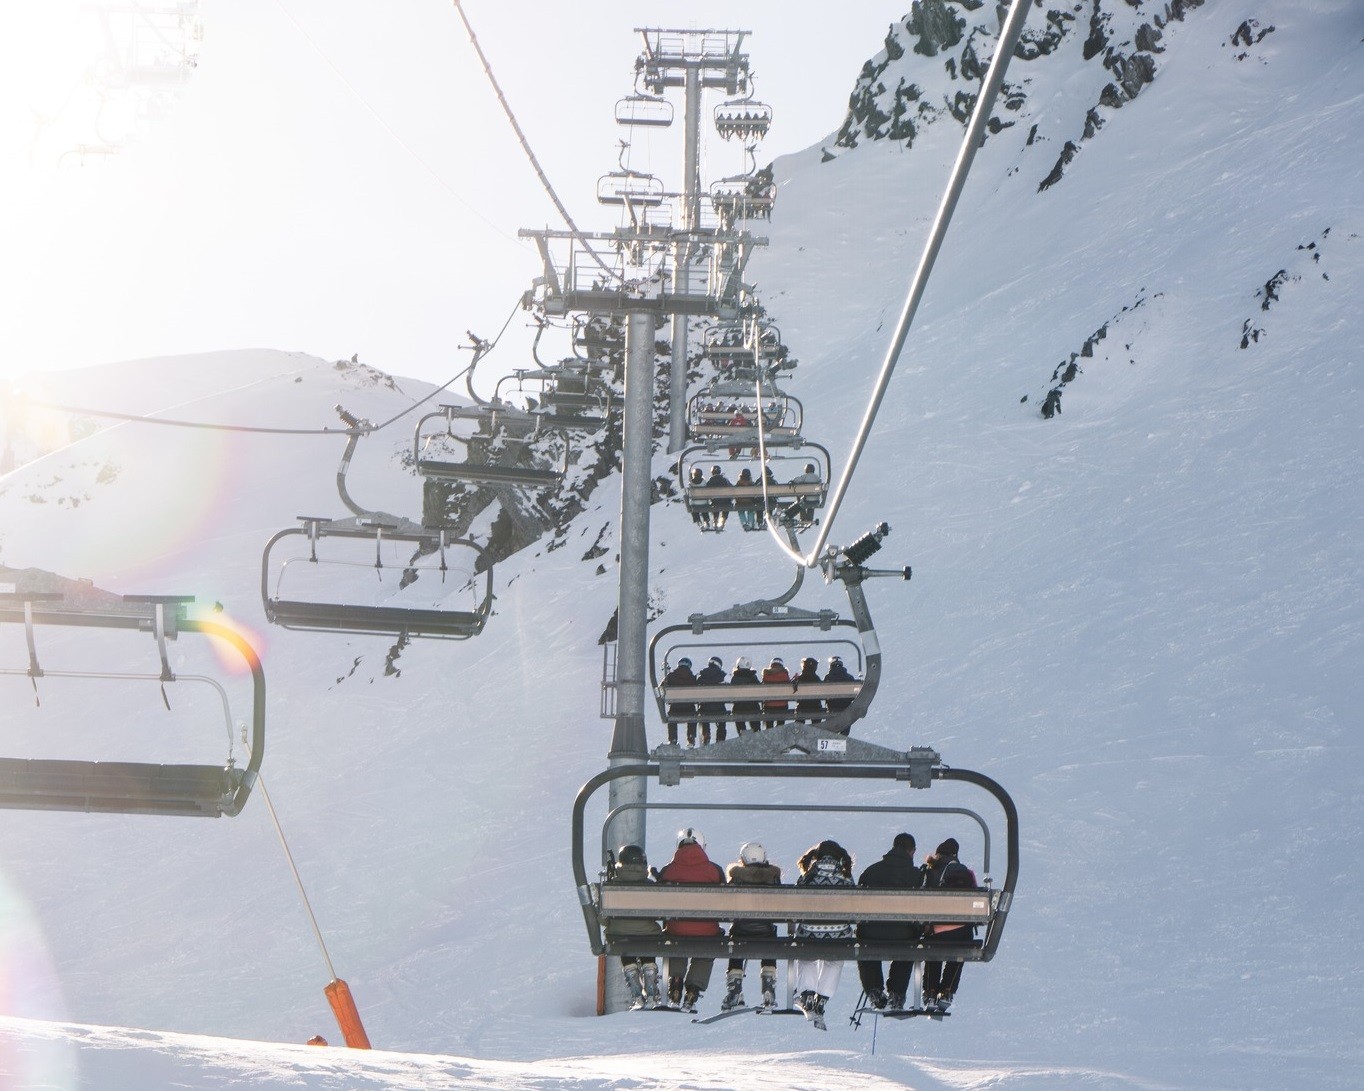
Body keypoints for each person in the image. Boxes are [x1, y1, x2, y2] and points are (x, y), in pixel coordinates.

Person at [657, 828, 725, 1012]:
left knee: (674, 938)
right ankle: (693, 990)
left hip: (676, 929)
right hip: (707, 932)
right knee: (708, 945)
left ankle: (676, 982)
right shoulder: (714, 870)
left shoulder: (668, 870)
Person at [856, 833, 925, 1010]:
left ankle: (874, 990)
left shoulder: (870, 871)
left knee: (866, 949)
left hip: (870, 934)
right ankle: (897, 994)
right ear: (913, 852)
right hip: (903, 934)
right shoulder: (916, 876)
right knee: (908, 949)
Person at [792, 839, 855, 1029]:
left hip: (809, 934)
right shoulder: (846, 877)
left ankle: (808, 996)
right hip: (839, 936)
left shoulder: (808, 877)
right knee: (834, 961)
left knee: (807, 957)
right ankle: (822, 1000)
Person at [721, 842, 781, 1010]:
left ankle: (735, 990)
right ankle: (768, 989)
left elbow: (726, 905)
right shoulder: (773, 877)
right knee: (770, 941)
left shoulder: (737, 877)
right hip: (766, 932)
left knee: (735, 942)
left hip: (741, 931)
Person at [921, 838, 979, 1012]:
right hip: (963, 932)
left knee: (934, 953)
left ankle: (930, 992)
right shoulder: (967, 873)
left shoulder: (930, 871)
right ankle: (947, 990)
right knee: (957, 956)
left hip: (936, 931)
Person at [605, 844, 664, 1009]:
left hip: (619, 934)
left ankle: (637, 994)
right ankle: (651, 991)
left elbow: (604, 919)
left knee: (625, 942)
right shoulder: (650, 886)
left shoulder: (612, 885)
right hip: (648, 934)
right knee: (647, 937)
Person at [662, 657, 699, 747]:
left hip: (675, 708)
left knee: (672, 718)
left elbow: (662, 688)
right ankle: (691, 738)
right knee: (693, 715)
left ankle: (673, 739)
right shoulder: (693, 678)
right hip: (689, 709)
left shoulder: (670, 676)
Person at [694, 655, 728, 744]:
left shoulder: (701, 675)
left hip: (705, 707)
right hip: (719, 708)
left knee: (703, 715)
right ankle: (720, 739)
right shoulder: (722, 676)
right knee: (722, 719)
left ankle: (706, 734)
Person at [729, 656, 761, 733]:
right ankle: (756, 732)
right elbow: (760, 691)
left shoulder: (734, 678)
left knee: (739, 719)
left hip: (739, 707)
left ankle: (742, 732)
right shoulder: (753, 677)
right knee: (755, 722)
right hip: (753, 707)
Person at [784, 462, 821, 527]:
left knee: (800, 503)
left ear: (808, 469)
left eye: (806, 469)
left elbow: (798, 479)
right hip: (816, 499)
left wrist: (792, 481)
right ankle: (809, 519)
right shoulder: (817, 478)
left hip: (806, 499)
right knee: (811, 507)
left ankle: (802, 518)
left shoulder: (805, 476)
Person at [823, 655, 857, 721]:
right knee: (845, 724)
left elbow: (823, 692)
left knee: (831, 724)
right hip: (846, 706)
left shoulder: (828, 678)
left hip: (832, 707)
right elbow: (854, 694)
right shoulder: (849, 677)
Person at [761, 655, 791, 729]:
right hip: (782, 706)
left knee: (769, 727)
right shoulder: (785, 675)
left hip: (769, 706)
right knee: (780, 726)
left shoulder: (766, 675)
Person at [793, 655, 823, 724]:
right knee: (817, 724)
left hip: (802, 706)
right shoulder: (816, 678)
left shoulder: (799, 678)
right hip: (816, 707)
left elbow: (792, 691)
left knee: (799, 722)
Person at [704, 465, 733, 530]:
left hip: (715, 502)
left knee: (715, 504)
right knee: (727, 504)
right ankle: (723, 520)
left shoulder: (710, 481)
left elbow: (706, 491)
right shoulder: (725, 480)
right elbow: (732, 489)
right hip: (726, 502)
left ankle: (715, 520)